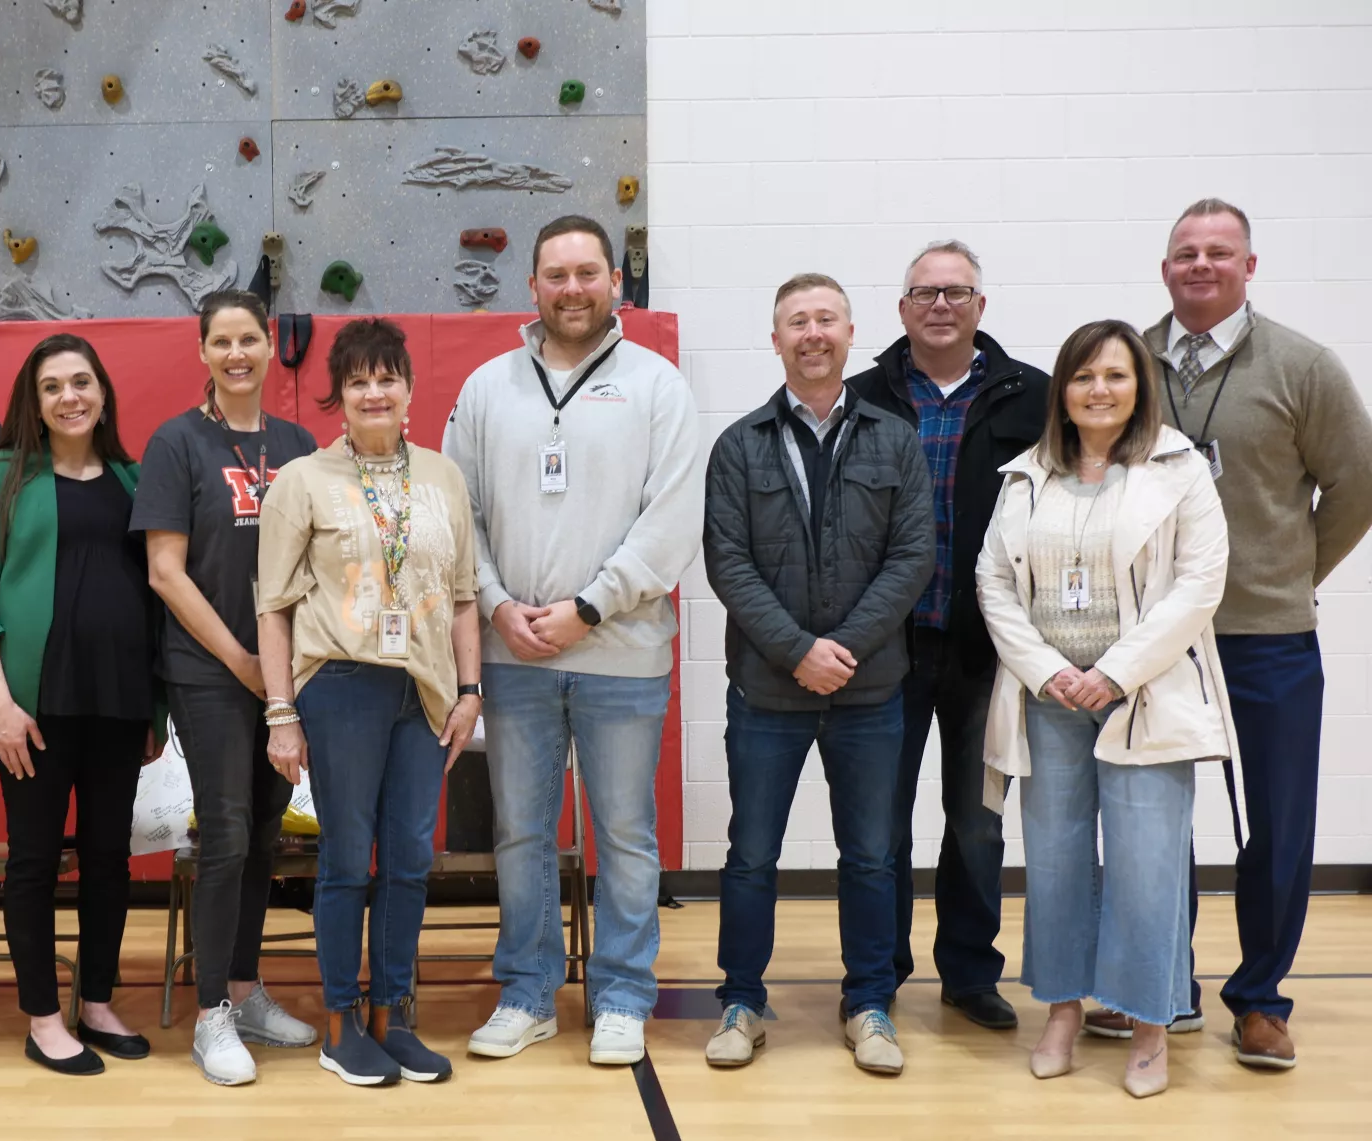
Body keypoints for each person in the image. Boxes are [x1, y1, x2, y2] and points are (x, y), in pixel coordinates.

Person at [443, 215, 703, 1067]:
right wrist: (493, 603)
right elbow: (458, 513)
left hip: (620, 655)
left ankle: (623, 993)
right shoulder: (487, 389)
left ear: (613, 283)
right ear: (533, 287)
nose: (573, 288)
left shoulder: (658, 386)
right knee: (520, 831)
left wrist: (588, 608)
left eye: (587, 272)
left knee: (625, 833)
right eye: (556, 274)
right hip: (514, 655)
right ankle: (526, 992)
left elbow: (671, 524)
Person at [1122, 198, 1372, 1071]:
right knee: (1155, 822)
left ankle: (1260, 999)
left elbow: (1356, 486)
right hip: (1154, 640)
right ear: (1165, 270)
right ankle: (1163, 987)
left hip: (1264, 635)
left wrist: (1292, 574)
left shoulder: (1304, 366)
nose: (1200, 265)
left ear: (1249, 267)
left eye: (1218, 253)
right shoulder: (1130, 363)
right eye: (1184, 252)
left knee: (1275, 822)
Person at [977, 318, 1236, 1099]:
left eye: (1115, 376)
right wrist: (1050, 669)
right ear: (1062, 390)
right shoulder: (1027, 474)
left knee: (1146, 865)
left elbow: (1201, 583)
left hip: (1143, 696)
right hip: (1050, 698)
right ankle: (1061, 1011)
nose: (1099, 390)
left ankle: (1149, 1024)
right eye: (1084, 376)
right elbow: (994, 582)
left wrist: (1116, 672)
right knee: (1054, 862)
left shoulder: (1179, 470)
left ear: (1139, 388)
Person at [702, 273, 932, 1076]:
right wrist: (797, 648)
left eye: (825, 319)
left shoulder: (893, 438)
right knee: (751, 855)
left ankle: (869, 1003)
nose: (811, 333)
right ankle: (741, 1001)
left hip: (870, 694)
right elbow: (728, 563)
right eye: (796, 321)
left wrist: (846, 650)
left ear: (848, 333)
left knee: (872, 855)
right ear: (776, 340)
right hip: (767, 693)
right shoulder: (739, 445)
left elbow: (912, 558)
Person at [256, 318, 482, 1088]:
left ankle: (394, 1015)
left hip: (425, 690)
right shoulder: (303, 481)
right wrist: (281, 712)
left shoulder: (443, 478)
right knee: (348, 862)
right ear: (339, 397)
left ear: (411, 390)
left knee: (411, 861)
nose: (375, 391)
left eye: (388, 377)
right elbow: (274, 607)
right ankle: (340, 1022)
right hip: (343, 686)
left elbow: (461, 597)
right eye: (359, 381)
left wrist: (471, 689)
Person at [845, 240, 1051, 1032]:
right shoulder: (866, 397)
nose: (939, 305)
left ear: (980, 307)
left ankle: (969, 973)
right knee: (881, 823)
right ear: (901, 309)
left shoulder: (1030, 397)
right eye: (924, 293)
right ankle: (880, 974)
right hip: (886, 649)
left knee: (977, 821)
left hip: (987, 651)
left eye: (955, 293)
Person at [0, 334, 165, 1077]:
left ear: (103, 392)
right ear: (34, 403)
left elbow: (158, 595)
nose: (70, 396)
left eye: (82, 382)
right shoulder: (1, 474)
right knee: (34, 862)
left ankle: (98, 1002)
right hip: (33, 709)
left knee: (110, 860)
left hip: (118, 701)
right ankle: (43, 1017)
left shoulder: (137, 479)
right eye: (53, 387)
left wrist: (155, 711)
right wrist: (1, 706)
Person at [131, 289, 320, 1086]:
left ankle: (245, 991)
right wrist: (245, 662)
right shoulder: (176, 443)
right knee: (228, 833)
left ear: (270, 345)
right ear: (202, 351)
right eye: (221, 342)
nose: (236, 354)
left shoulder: (300, 442)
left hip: (286, 672)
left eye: (249, 339)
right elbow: (164, 573)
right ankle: (210, 1013)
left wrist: (284, 670)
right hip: (210, 671)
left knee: (267, 836)